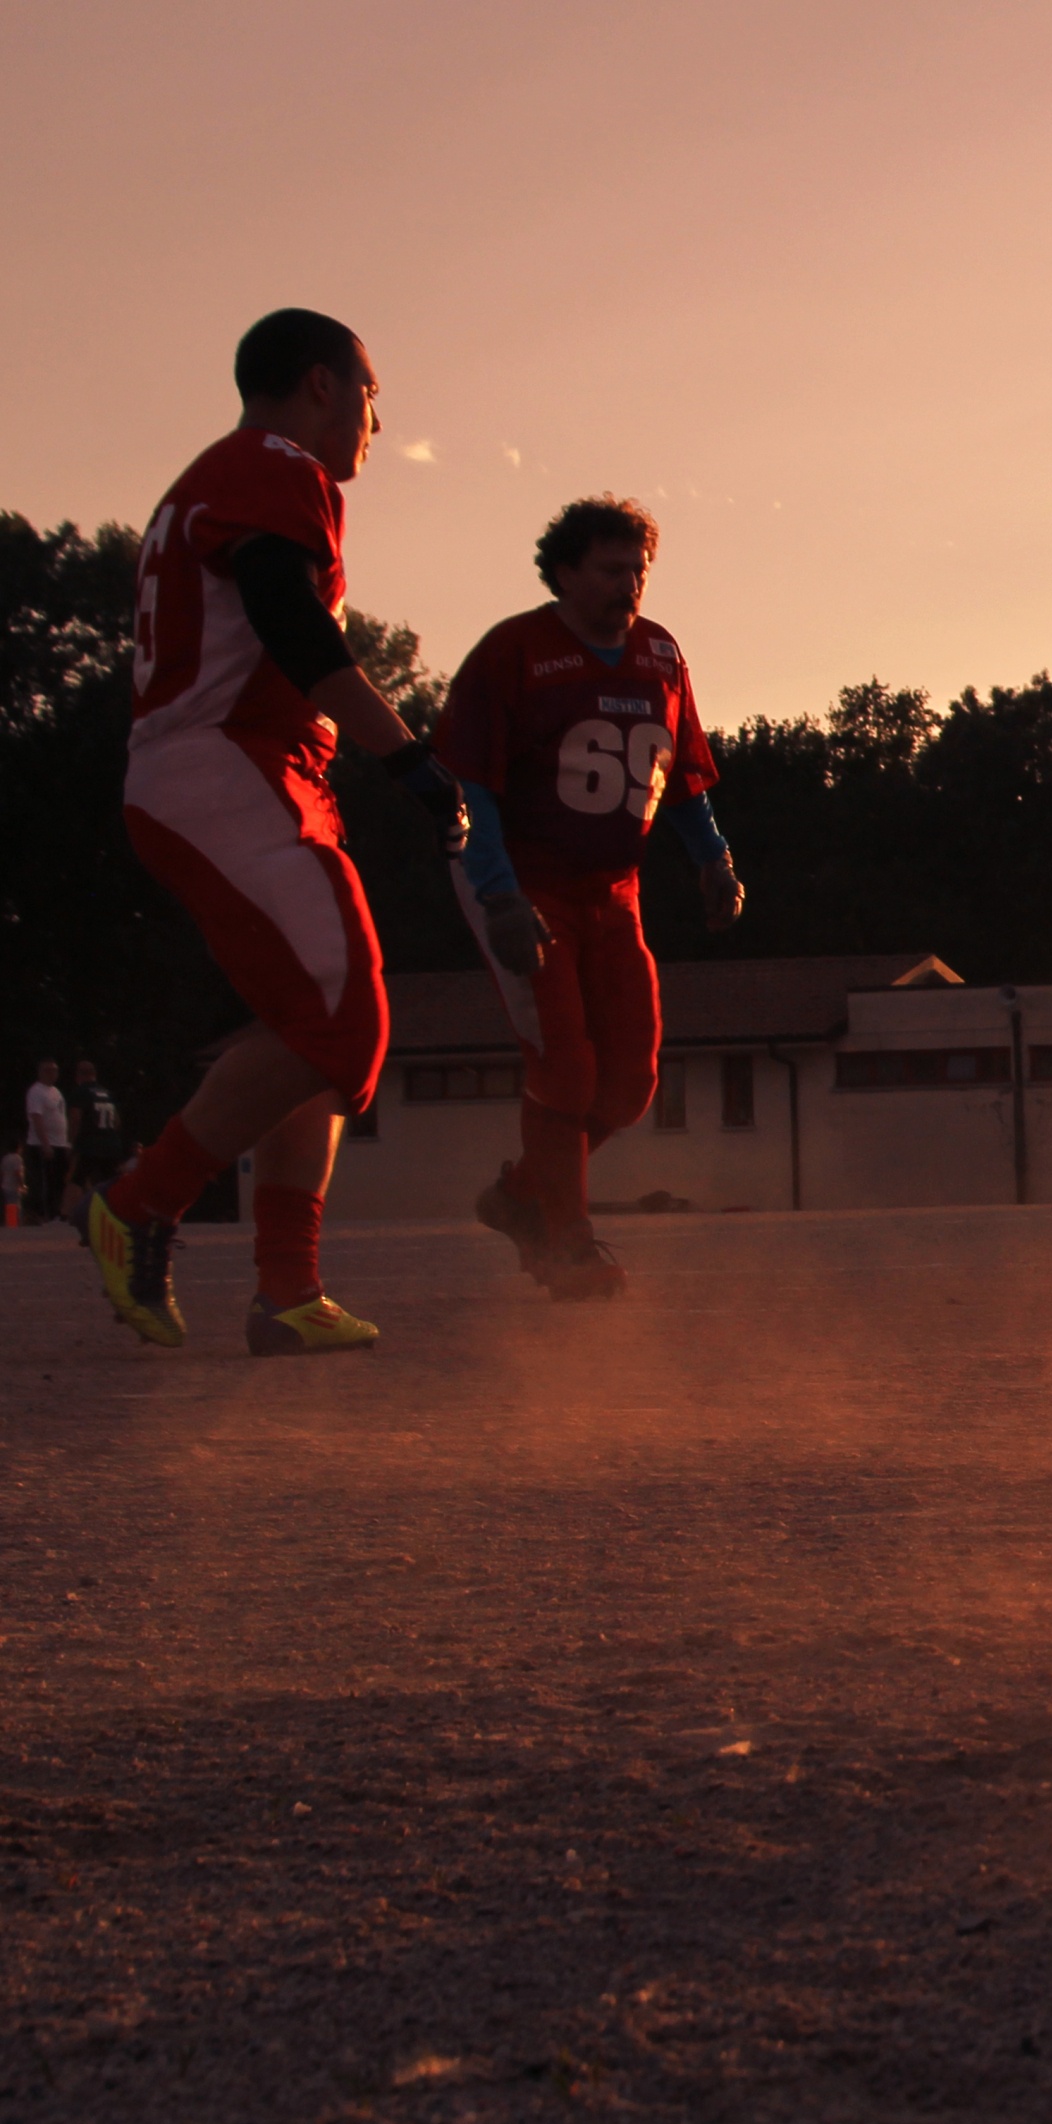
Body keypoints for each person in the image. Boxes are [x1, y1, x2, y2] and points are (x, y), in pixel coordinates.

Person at [80, 307, 466, 1353]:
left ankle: (286, 1290)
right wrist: (409, 757)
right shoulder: (276, 463)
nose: (378, 421)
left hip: (242, 770)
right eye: (372, 393)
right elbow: (293, 622)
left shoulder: (228, 474)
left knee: (316, 1035)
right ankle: (137, 1204)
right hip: (222, 764)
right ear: (323, 384)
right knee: (344, 1018)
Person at [434, 495, 744, 1300]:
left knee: (631, 1082)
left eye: (638, 568)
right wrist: (499, 893)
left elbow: (677, 779)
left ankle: (520, 1197)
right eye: (610, 569)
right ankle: (567, 1242)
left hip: (614, 889)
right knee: (564, 1067)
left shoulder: (660, 655)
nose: (629, 584)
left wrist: (712, 859)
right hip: (525, 879)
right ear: (564, 571)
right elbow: (471, 787)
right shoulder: (514, 651)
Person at [67, 1060, 125, 1198]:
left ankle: (65, 1215)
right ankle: (118, 1213)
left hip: (90, 1144)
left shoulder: (81, 1092)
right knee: (111, 1182)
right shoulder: (107, 1093)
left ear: (78, 1076)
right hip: (111, 1144)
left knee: (76, 1180)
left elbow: (75, 1120)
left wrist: (71, 1143)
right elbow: (117, 1122)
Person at [25, 1059, 69, 1222]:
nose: (52, 1074)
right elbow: (37, 1117)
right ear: (41, 1072)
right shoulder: (36, 1091)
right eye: (48, 1070)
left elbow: (61, 1118)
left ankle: (55, 1213)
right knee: (42, 1181)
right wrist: (45, 1144)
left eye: (55, 1070)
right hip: (41, 1144)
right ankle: (39, 1214)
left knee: (58, 1180)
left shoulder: (56, 1092)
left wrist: (66, 1143)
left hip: (59, 1143)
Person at [1, 1141, 26, 1227]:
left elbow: (2, 1173)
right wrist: (22, 1185)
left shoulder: (5, 1158)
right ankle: (14, 1224)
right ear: (18, 1148)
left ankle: (10, 1222)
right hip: (13, 1186)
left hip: (5, 1185)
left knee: (9, 1204)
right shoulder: (17, 1158)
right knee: (15, 1205)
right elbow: (17, 1172)